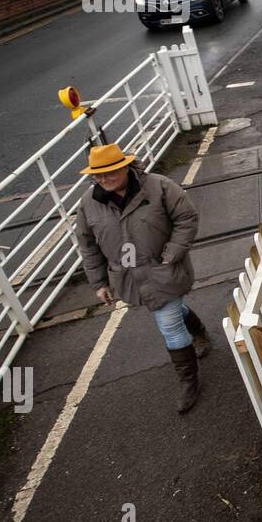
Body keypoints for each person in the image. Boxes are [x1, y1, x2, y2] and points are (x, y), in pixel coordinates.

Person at [74, 143, 211, 413]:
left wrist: (172, 253)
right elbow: (87, 244)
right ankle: (200, 333)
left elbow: (186, 218)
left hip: (164, 271)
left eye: (109, 173)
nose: (103, 180)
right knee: (173, 310)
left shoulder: (159, 186)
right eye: (97, 175)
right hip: (128, 278)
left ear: (125, 166)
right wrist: (99, 283)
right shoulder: (89, 202)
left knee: (169, 324)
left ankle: (189, 381)